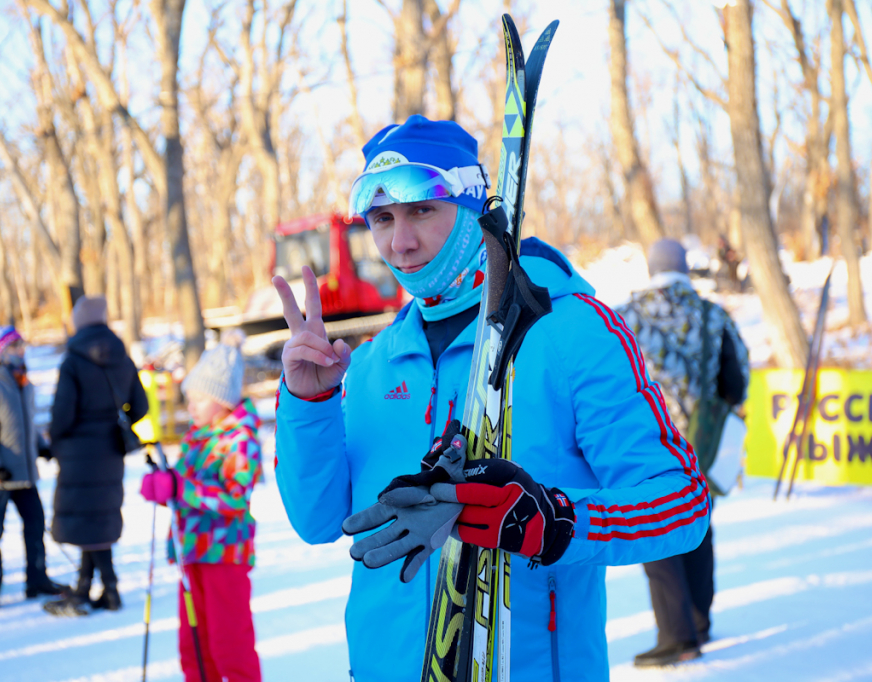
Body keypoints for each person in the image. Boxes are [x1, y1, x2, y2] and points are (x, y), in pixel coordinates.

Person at [272, 115, 710, 681]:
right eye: (381, 219)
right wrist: (308, 406)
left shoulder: (571, 331)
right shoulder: (375, 363)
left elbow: (682, 505)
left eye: (421, 210)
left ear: (476, 207)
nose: (399, 242)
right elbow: (318, 520)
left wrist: (555, 520)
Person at [617, 238, 750, 667]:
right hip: (702, 445)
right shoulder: (713, 315)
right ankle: (699, 620)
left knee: (655, 530)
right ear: (686, 269)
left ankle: (677, 637)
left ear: (651, 268)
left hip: (648, 443)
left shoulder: (624, 317)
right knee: (697, 523)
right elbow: (737, 381)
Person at [140, 339, 263, 682]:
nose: (189, 406)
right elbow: (186, 488)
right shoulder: (197, 437)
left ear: (222, 400)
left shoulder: (240, 439)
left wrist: (182, 489)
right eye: (189, 399)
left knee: (229, 644)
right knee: (194, 643)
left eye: (198, 399)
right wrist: (165, 485)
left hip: (225, 555)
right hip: (191, 553)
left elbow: (234, 498)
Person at [42, 297, 148, 617]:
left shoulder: (73, 360)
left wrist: (53, 441)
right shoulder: (122, 355)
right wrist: (118, 419)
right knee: (98, 520)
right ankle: (91, 589)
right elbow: (140, 406)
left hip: (77, 451)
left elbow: (62, 413)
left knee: (89, 521)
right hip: (110, 449)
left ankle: (104, 589)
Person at [0, 326, 67, 611]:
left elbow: (26, 423)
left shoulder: (21, 380)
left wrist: (41, 446)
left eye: (21, 345)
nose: (21, 350)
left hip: (24, 473)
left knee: (35, 525)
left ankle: (37, 579)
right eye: (14, 346)